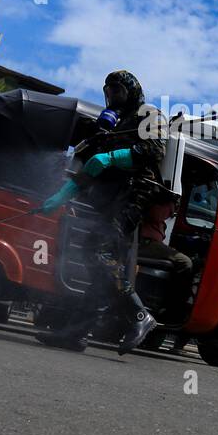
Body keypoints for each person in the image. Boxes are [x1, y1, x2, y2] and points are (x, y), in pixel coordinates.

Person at [35, 70, 165, 356]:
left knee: (100, 253)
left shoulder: (149, 114)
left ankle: (140, 314)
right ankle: (76, 332)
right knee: (97, 261)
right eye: (108, 92)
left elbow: (153, 150)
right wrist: (60, 196)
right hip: (108, 197)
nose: (112, 97)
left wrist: (112, 157)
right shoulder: (110, 125)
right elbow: (90, 170)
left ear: (131, 90)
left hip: (134, 192)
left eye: (117, 91)